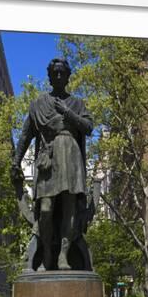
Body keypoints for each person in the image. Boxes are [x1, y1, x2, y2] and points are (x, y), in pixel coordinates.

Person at [12, 58, 93, 270]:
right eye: (54, 73)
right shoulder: (38, 104)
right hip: (48, 159)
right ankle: (47, 251)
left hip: (71, 156)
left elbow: (88, 127)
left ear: (68, 76)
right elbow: (25, 135)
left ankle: (63, 256)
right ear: (49, 76)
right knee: (46, 208)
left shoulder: (77, 103)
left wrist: (67, 112)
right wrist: (16, 162)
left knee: (70, 208)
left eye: (62, 73)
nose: (58, 76)